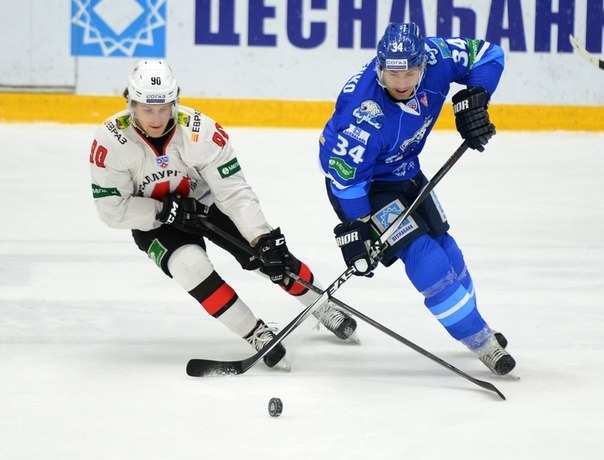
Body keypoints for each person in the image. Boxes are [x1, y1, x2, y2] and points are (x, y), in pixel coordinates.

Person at [89, 59, 357, 371]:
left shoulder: (200, 131)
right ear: (130, 104)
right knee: (190, 266)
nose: (157, 117)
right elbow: (112, 210)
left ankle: (321, 305)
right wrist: (162, 211)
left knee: (266, 255)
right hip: (155, 222)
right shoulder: (111, 141)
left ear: (176, 101)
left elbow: (234, 191)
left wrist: (261, 236)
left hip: (206, 202)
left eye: (164, 108)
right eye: (148, 109)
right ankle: (255, 333)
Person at [318, 22, 516, 375]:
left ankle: (475, 324)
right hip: (366, 189)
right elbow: (346, 181)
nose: (401, 82)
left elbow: (489, 54)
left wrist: (477, 97)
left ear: (423, 65)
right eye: (392, 74)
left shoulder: (437, 56)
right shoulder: (362, 116)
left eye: (409, 73)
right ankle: (480, 340)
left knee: (447, 247)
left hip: (407, 172)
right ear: (380, 68)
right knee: (423, 254)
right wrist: (359, 227)